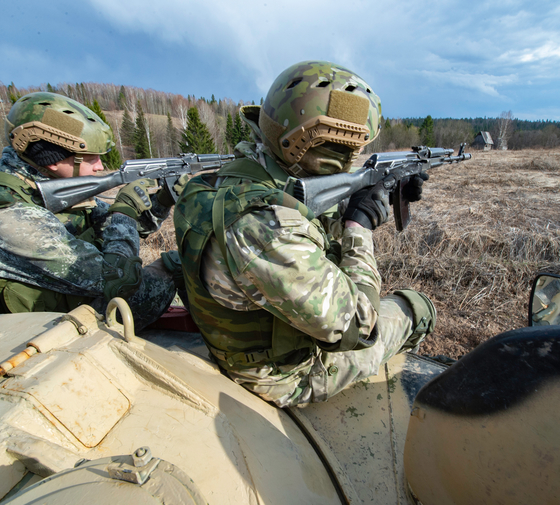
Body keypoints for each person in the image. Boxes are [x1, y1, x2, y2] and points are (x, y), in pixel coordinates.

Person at [174, 61, 437, 407]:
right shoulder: (264, 227)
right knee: (415, 307)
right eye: (342, 150)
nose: (350, 162)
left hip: (242, 337)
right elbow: (359, 327)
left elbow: (301, 216)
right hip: (285, 375)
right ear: (301, 143)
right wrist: (359, 228)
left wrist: (380, 194)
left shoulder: (226, 181)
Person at [0, 92, 177, 328]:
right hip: (46, 330)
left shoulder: (43, 186)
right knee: (178, 266)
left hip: (70, 303)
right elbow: (118, 280)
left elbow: (122, 230)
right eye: (91, 157)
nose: (100, 166)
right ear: (53, 159)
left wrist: (163, 199)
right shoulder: (4, 215)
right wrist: (125, 210)